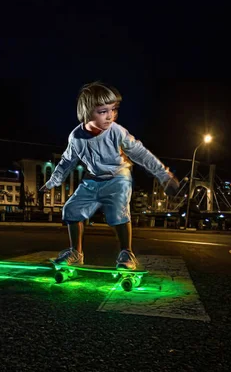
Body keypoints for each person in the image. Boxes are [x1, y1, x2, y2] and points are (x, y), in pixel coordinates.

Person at [39, 81, 179, 270]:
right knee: (71, 209)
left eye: (113, 110)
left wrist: (164, 176)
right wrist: (52, 181)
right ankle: (76, 252)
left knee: (117, 212)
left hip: (118, 177)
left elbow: (141, 153)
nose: (110, 116)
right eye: (103, 111)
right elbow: (67, 161)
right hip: (92, 179)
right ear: (87, 112)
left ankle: (126, 252)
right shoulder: (76, 137)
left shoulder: (117, 132)